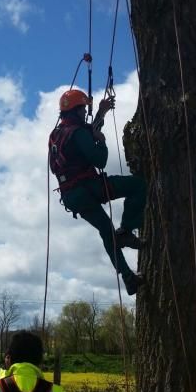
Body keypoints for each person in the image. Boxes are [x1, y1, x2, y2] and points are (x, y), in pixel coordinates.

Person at [49, 89, 146, 295]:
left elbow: (85, 133)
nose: (84, 112)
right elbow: (99, 159)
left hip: (71, 196)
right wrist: (101, 140)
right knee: (138, 185)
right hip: (88, 187)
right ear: (76, 110)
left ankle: (129, 278)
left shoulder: (58, 134)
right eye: (83, 109)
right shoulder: (78, 132)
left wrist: (101, 113)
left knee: (106, 230)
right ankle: (127, 230)